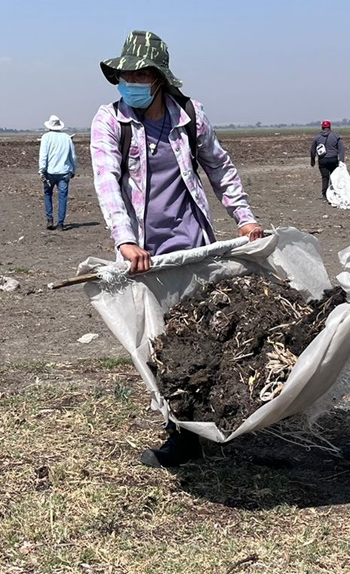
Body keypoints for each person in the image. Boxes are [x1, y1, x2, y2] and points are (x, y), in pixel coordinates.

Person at [90, 29, 265, 468]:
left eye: (139, 74)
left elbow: (219, 168)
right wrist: (125, 240)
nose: (129, 82)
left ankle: (214, 422)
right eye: (123, 74)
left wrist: (244, 218)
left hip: (193, 249)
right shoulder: (109, 121)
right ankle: (181, 435)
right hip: (144, 257)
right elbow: (107, 181)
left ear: (159, 78)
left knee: (201, 336)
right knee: (156, 346)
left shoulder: (190, 116)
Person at [38, 115, 77, 230]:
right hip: (64, 172)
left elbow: (43, 156)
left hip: (49, 172)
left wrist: (41, 170)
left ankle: (50, 219)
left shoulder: (46, 137)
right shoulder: (67, 138)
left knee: (48, 194)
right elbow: (73, 156)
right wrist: (73, 170)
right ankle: (60, 224)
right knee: (62, 197)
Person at [310, 120, 345, 199]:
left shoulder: (317, 137)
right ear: (330, 127)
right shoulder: (336, 136)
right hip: (333, 159)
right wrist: (341, 160)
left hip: (323, 160)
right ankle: (333, 193)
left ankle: (325, 195)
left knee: (325, 177)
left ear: (322, 127)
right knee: (334, 177)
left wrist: (312, 161)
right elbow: (341, 148)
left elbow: (312, 150)